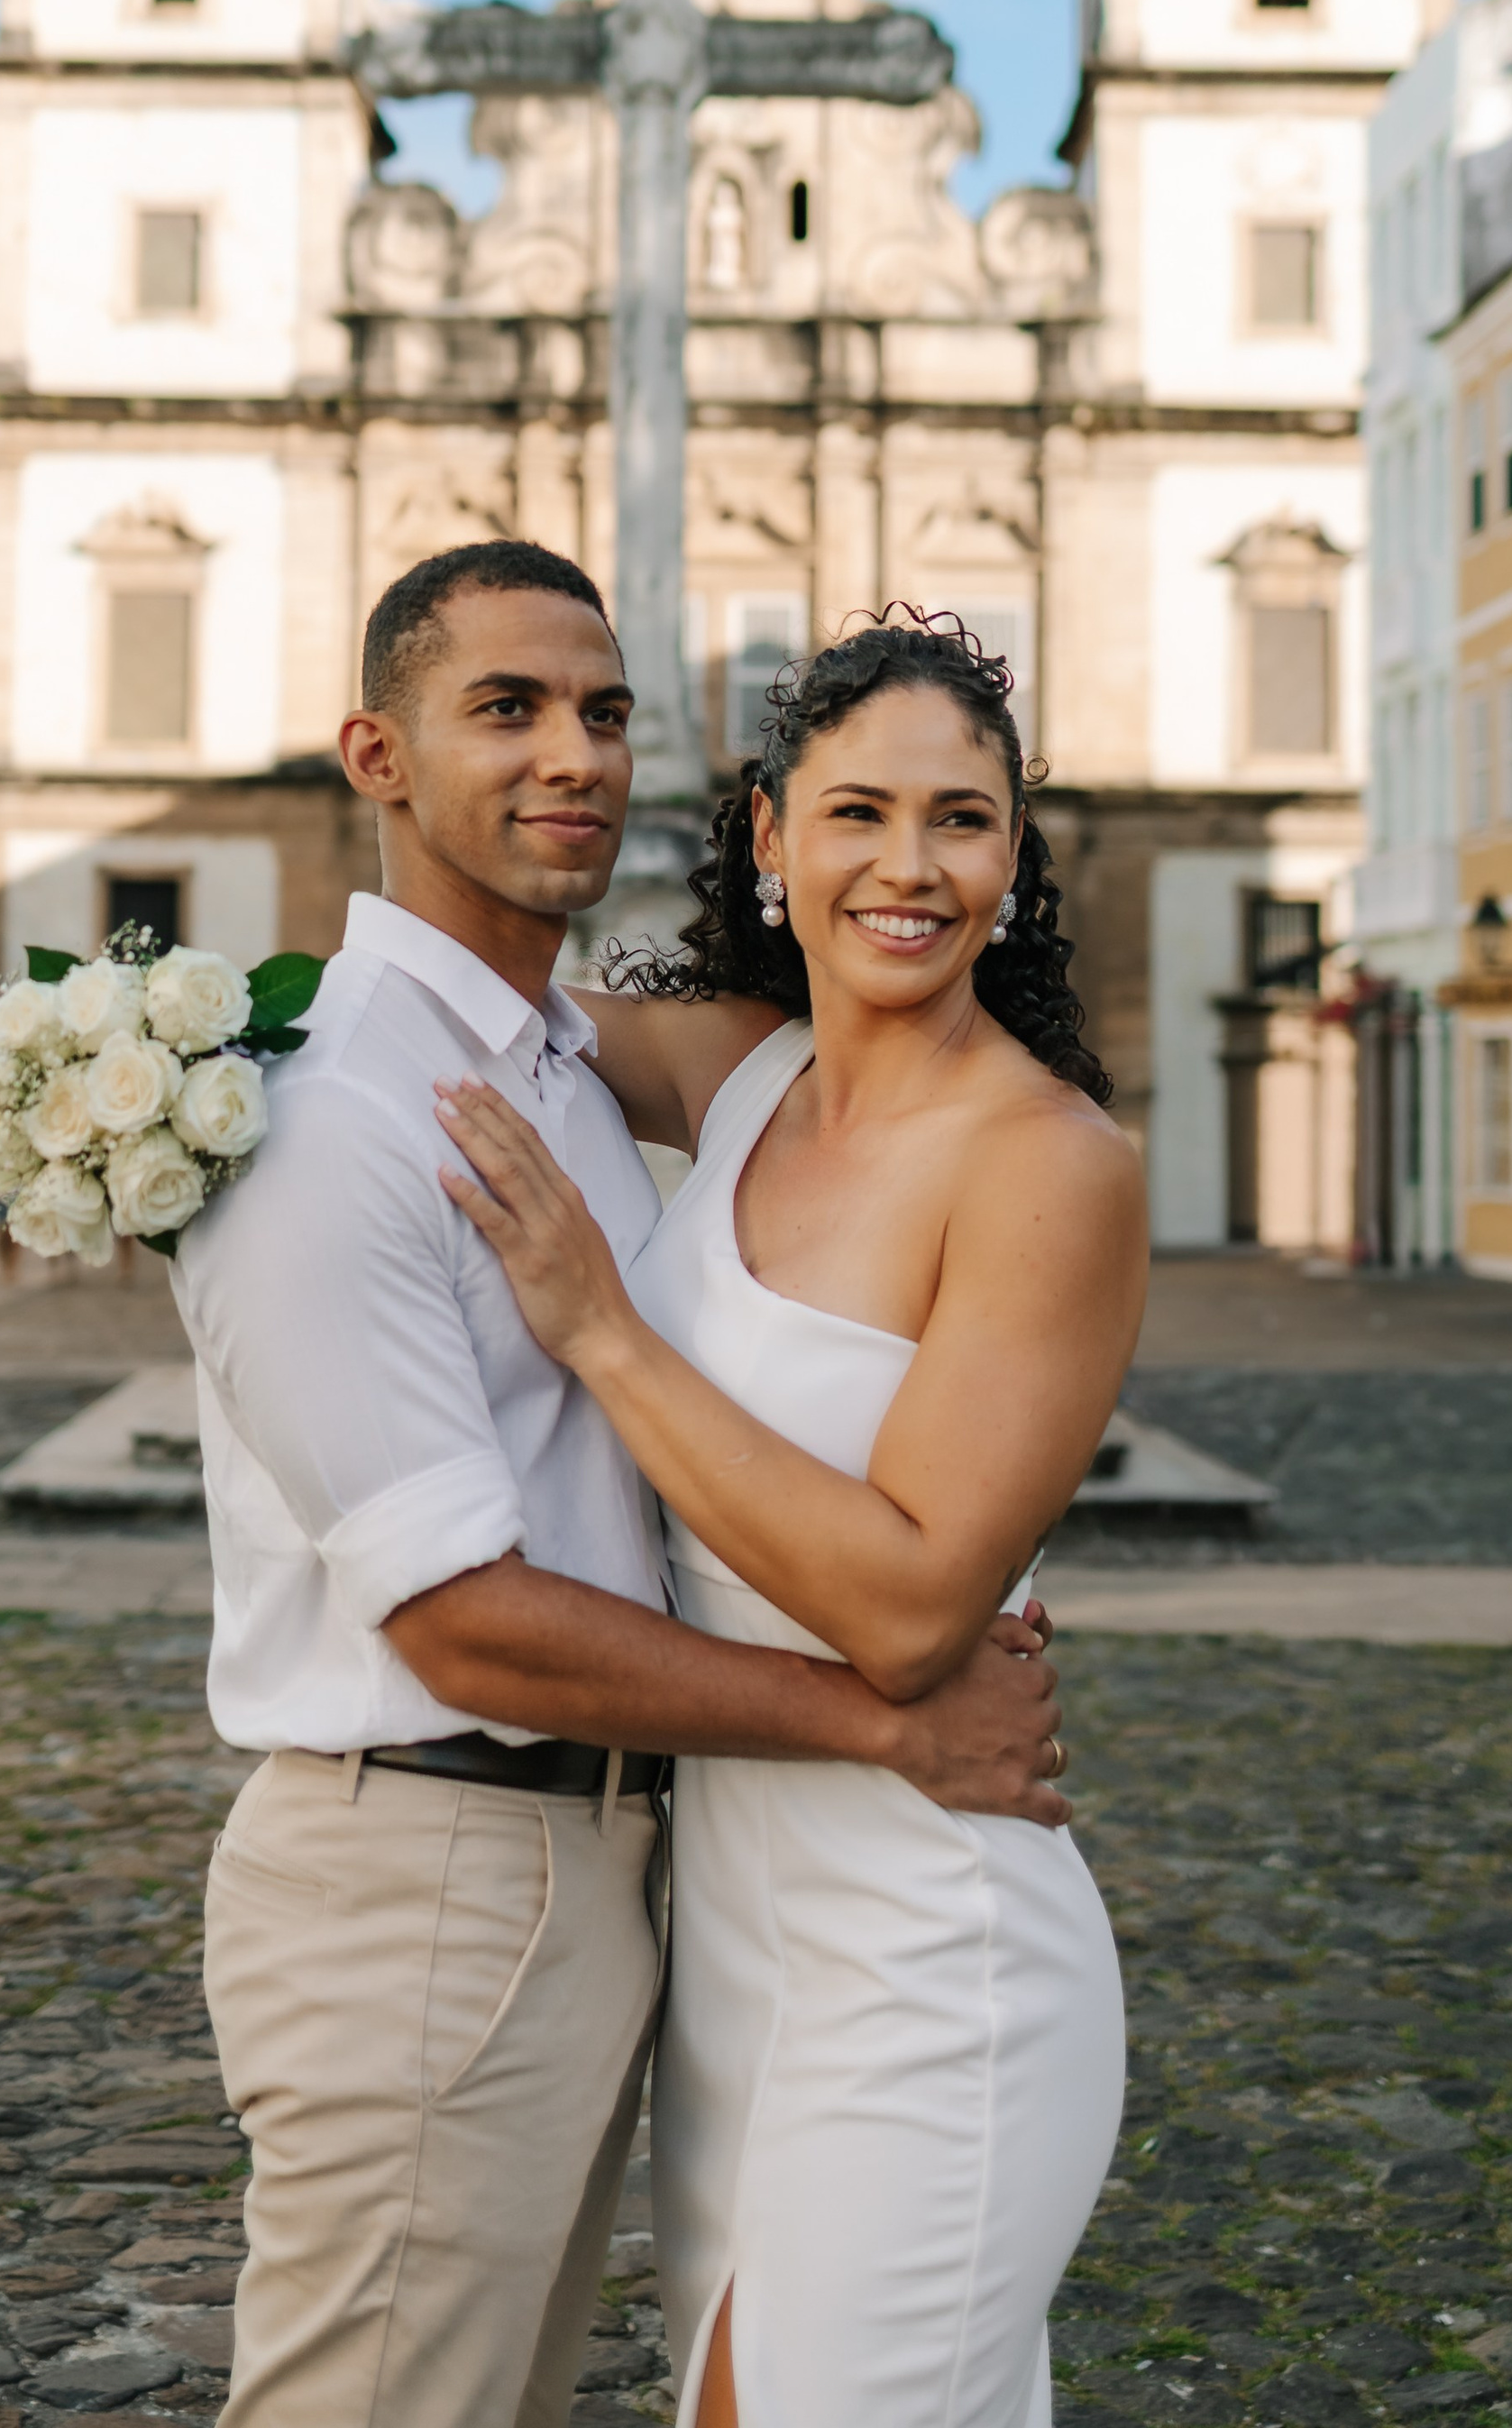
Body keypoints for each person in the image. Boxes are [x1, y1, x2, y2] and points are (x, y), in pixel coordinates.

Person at [172, 545, 1073, 2428]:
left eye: (599, 711)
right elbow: (454, 1612)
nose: (567, 754)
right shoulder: (332, 1103)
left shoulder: (581, 1061)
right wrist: (886, 1723)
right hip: (438, 1853)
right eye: (501, 708)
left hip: (662, 1880)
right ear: (377, 754)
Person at [434, 607, 1148, 2428]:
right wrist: (166, 1066)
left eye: (962, 821)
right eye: (857, 812)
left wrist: (598, 1325)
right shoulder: (734, 1073)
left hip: (931, 1938)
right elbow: (446, 1014)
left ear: (1012, 850)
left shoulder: (1046, 1164)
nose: (908, 868)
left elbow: (913, 1616)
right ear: (765, 831)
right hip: (734, 1936)